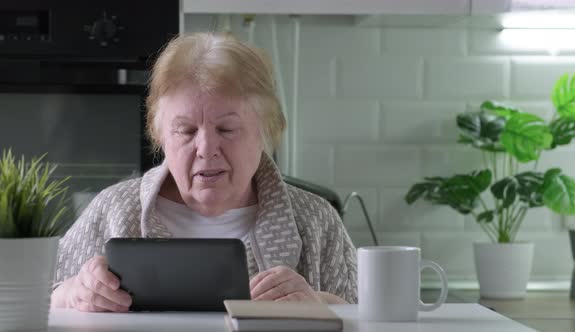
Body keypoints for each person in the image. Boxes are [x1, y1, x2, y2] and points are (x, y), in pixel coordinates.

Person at [50, 32, 357, 312]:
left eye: (227, 128)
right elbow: (38, 293)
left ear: (266, 129)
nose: (206, 148)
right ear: (160, 136)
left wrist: (318, 304)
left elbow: (365, 314)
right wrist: (72, 293)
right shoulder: (113, 210)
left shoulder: (316, 220)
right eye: (185, 130)